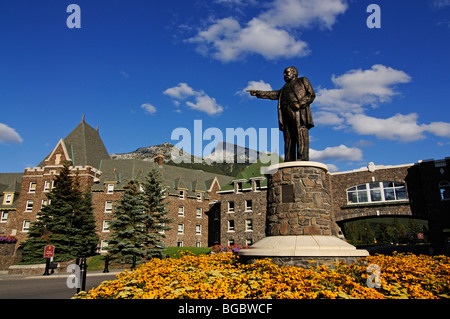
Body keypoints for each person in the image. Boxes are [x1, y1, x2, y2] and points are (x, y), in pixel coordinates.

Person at [248, 66, 315, 161]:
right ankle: (289, 159)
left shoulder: (302, 81)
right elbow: (273, 94)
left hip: (298, 112)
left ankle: (302, 158)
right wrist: (258, 93)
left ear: (294, 72)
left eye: (286, 73)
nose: (284, 75)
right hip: (285, 113)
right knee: (288, 136)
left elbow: (311, 94)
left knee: (300, 133)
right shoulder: (284, 88)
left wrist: (300, 104)